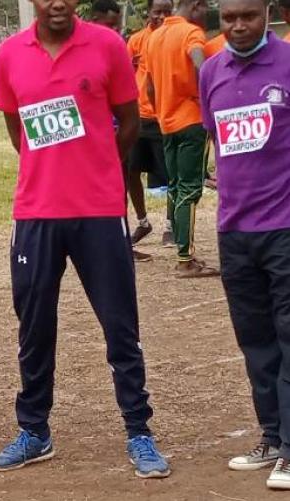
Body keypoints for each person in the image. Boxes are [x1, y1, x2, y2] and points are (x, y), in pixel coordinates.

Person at [0, 0, 170, 479]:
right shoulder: (9, 54)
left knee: (120, 328)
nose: (57, 3)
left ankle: (139, 431)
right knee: (33, 327)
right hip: (36, 213)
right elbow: (17, 132)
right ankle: (35, 431)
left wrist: (96, 166)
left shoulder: (107, 45)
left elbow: (129, 123)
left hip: (99, 211)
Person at [200, 0, 290, 490]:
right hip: (235, 232)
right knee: (255, 340)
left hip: (285, 228)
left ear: (267, 14)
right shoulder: (211, 70)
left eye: (248, 17)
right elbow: (216, 138)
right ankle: (273, 438)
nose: (238, 26)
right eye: (229, 17)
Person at [145, 0, 219, 277]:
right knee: (190, 189)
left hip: (166, 122)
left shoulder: (153, 37)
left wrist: (160, 111)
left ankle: (183, 249)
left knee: (175, 186)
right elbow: (202, 64)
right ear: (197, 6)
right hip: (191, 120)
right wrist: (209, 98)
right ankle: (185, 259)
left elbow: (149, 86)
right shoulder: (191, 33)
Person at [127, 0, 174, 247]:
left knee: (170, 174)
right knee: (131, 172)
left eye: (168, 11)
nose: (163, 16)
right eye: (158, 11)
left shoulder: (176, 37)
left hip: (164, 116)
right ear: (149, 12)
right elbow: (124, 73)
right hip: (139, 117)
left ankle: (171, 225)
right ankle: (143, 222)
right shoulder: (136, 40)